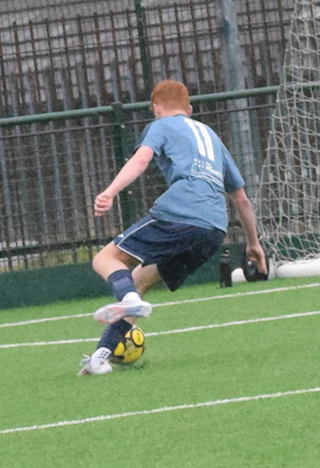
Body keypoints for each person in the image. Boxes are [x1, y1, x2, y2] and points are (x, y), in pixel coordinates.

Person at [81, 79, 267, 376]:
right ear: (189, 109)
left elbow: (141, 159)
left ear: (156, 109)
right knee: (139, 281)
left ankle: (127, 301)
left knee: (105, 259)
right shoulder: (210, 135)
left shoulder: (161, 125)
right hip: (213, 230)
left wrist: (111, 191)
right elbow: (241, 197)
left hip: (181, 212)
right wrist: (253, 244)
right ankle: (98, 359)